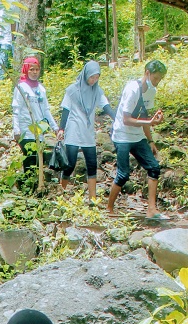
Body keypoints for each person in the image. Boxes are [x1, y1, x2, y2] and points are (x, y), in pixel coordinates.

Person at [106, 58, 167, 220]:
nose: (157, 82)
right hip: (122, 135)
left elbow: (145, 116)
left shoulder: (151, 91)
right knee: (123, 174)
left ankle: (151, 209)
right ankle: (109, 208)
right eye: (155, 78)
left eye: (160, 79)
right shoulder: (132, 89)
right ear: (147, 73)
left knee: (154, 167)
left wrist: (151, 140)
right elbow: (126, 119)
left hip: (138, 136)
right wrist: (149, 122)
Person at [58, 60, 115, 201]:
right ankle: (60, 193)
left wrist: (116, 118)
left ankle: (93, 198)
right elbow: (66, 109)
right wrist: (61, 128)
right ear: (85, 75)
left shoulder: (97, 91)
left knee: (91, 163)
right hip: (73, 128)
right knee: (70, 164)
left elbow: (105, 106)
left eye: (97, 78)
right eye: (92, 77)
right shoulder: (73, 90)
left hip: (88, 130)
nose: (94, 80)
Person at [12, 56, 62, 185]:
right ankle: (28, 187)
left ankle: (36, 187)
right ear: (26, 70)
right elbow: (16, 109)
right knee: (29, 159)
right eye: (31, 69)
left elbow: (46, 110)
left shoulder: (41, 88)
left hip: (39, 130)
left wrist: (55, 127)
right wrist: (16, 129)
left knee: (38, 161)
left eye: (37, 69)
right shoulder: (21, 88)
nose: (34, 72)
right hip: (26, 129)